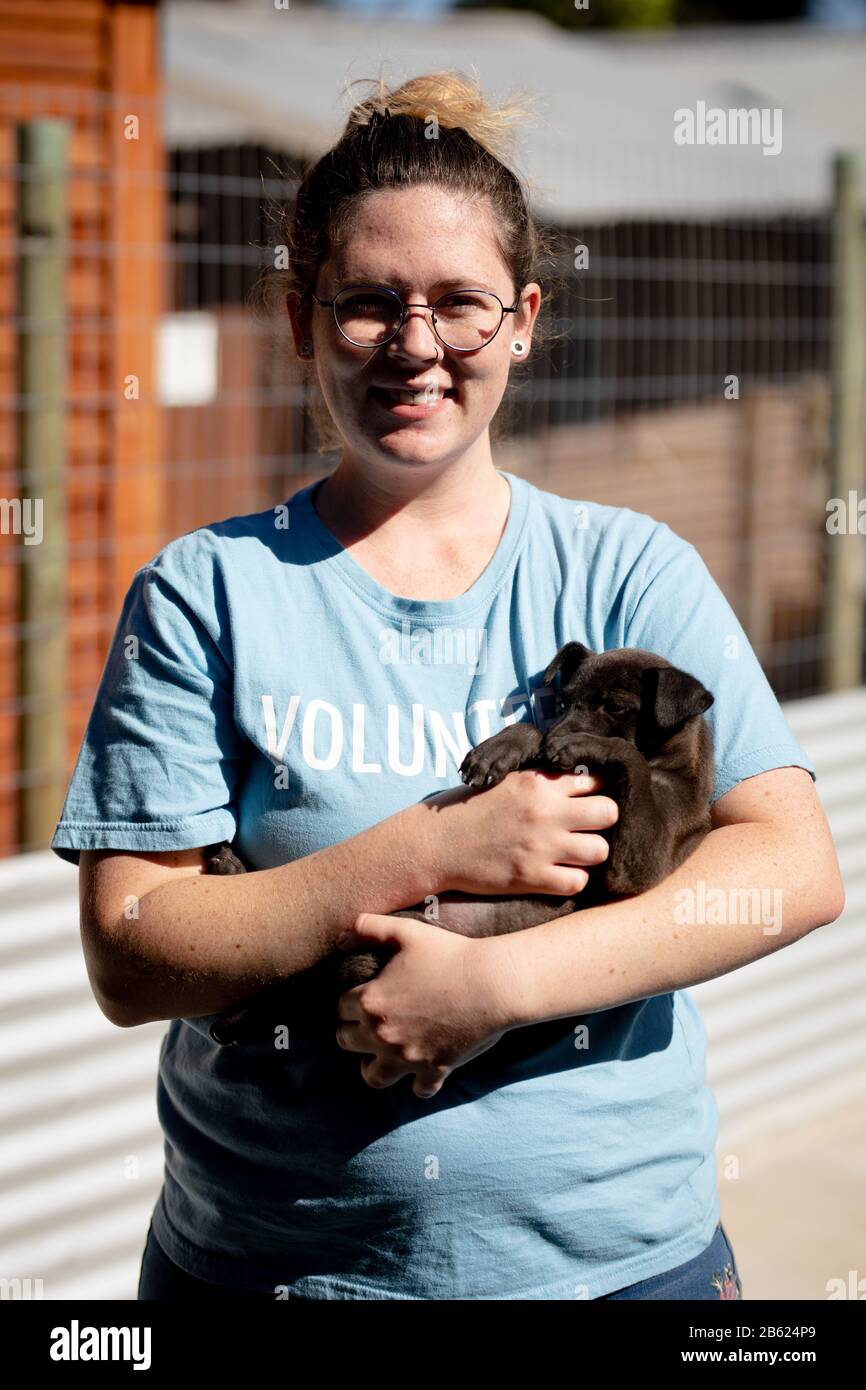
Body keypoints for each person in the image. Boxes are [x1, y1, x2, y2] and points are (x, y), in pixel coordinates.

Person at [51, 72, 843, 1302]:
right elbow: (134, 949)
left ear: (520, 319)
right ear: (302, 319)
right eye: (370, 303)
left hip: (618, 1266)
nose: (417, 345)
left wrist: (489, 987)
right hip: (279, 1271)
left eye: (460, 305)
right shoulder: (206, 593)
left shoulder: (624, 570)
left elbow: (788, 871)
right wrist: (440, 845)